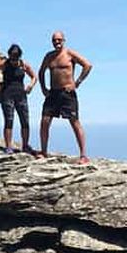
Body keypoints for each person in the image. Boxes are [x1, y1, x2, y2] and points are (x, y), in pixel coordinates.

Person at [38, 31, 93, 164]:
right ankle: (43, 152)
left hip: (67, 93)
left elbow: (87, 65)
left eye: (59, 40)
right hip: (53, 93)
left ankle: (83, 155)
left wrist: (77, 82)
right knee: (45, 121)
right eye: (54, 40)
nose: (57, 42)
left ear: (64, 40)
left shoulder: (70, 54)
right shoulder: (49, 56)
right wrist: (44, 88)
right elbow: (41, 71)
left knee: (74, 122)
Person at [0, 43, 36, 153]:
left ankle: (25, 145)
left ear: (19, 56)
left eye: (16, 56)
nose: (14, 58)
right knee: (9, 120)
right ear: (9, 55)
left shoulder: (23, 64)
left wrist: (30, 86)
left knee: (25, 120)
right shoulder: (5, 63)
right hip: (7, 94)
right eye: (12, 56)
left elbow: (34, 77)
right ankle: (8, 146)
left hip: (21, 95)